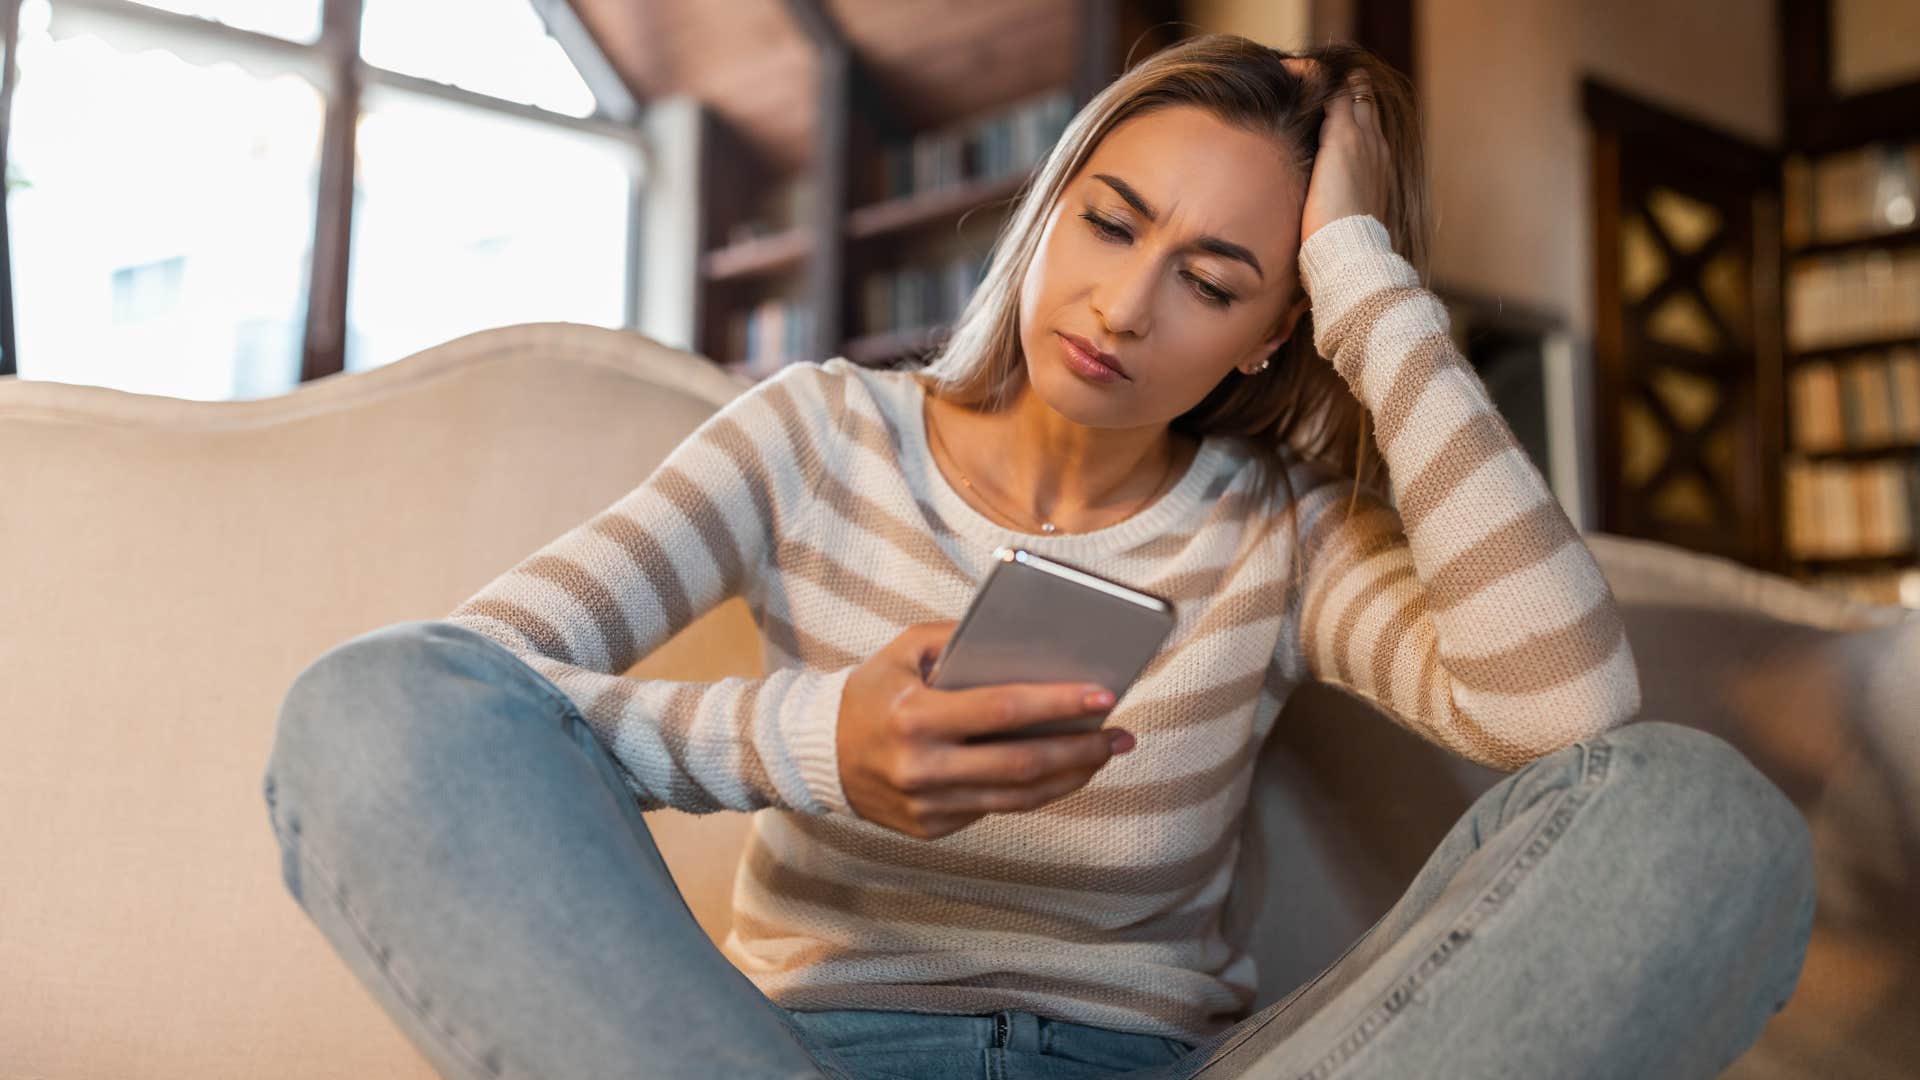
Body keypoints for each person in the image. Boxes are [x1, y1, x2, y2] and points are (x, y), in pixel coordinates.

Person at [261, 33, 1815, 1080]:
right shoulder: (814, 436)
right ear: (1053, 204)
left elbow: (1565, 713)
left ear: (1277, 329)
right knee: (365, 710)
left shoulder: (1275, 530)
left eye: (1216, 279)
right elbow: (463, 698)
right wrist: (815, 743)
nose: (1126, 307)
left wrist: (1364, 277)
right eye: (1112, 222)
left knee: (1696, 816)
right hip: (794, 1062)